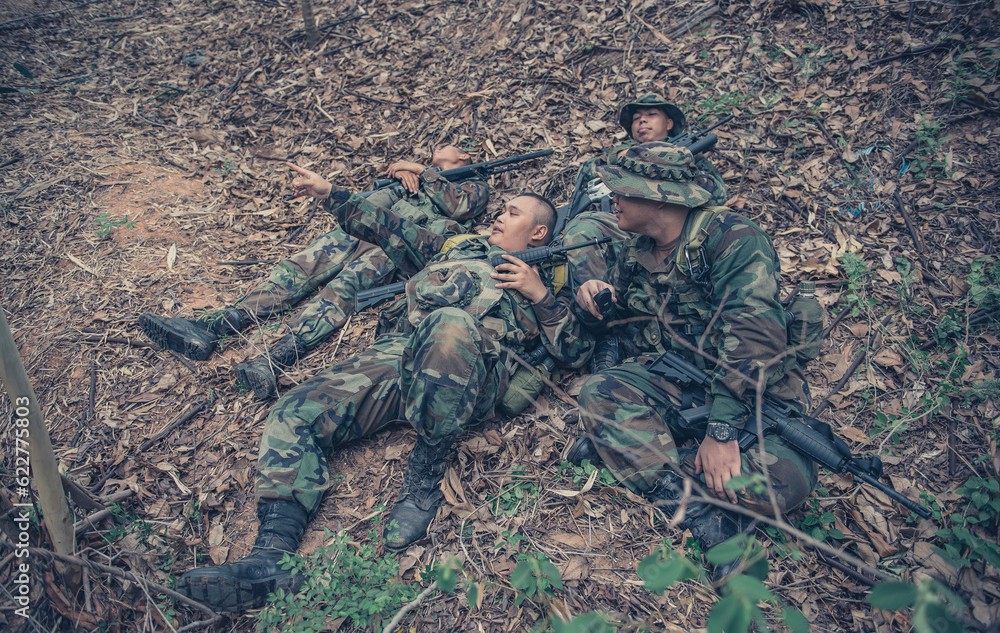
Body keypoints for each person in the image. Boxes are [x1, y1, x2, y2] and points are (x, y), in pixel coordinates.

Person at [174, 180, 594, 612]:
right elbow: (388, 226)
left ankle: (424, 476)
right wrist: (330, 193)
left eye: (512, 212)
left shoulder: (551, 279)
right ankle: (272, 557)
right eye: (501, 209)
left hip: (473, 379)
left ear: (539, 232)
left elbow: (576, 352)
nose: (499, 216)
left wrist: (539, 295)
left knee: (450, 324)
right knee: (294, 414)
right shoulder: (455, 250)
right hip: (398, 359)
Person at [572, 141, 816, 567]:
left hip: (754, 393)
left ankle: (644, 453)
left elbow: (756, 335)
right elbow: (624, 324)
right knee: (601, 391)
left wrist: (721, 431)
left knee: (782, 485)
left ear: (658, 196)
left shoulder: (731, 237)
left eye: (621, 189)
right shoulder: (638, 250)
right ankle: (703, 519)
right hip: (680, 381)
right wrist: (595, 300)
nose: (612, 198)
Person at [139, 145, 490, 400]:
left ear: (465, 158)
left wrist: (418, 169)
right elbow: (375, 189)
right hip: (359, 225)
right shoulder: (411, 175)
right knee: (297, 270)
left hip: (397, 241)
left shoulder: (473, 182)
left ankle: (273, 360)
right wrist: (400, 169)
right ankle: (217, 325)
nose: (437, 149)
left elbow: (459, 205)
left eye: (448, 147)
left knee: (341, 291)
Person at [560, 93, 728, 292]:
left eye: (651, 114)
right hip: (624, 225)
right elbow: (588, 169)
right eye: (637, 117)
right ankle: (597, 299)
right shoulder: (623, 153)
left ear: (669, 123)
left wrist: (677, 170)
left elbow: (716, 195)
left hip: (674, 229)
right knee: (581, 230)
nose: (642, 119)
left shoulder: (688, 155)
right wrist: (621, 158)